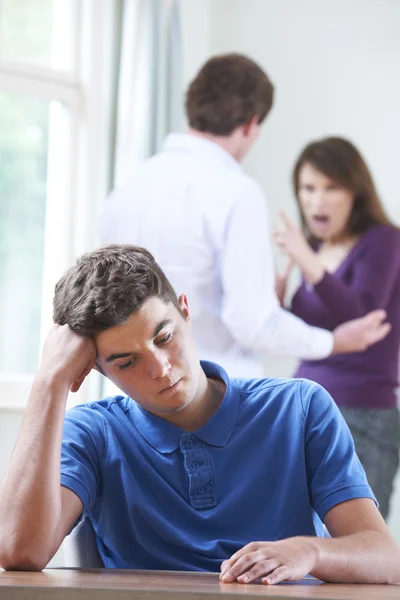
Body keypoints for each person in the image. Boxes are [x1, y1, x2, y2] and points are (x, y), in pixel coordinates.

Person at [0, 244, 398, 585]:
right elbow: (20, 550)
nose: (161, 368)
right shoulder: (93, 433)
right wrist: (49, 382)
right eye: (126, 362)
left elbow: (385, 557)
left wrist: (310, 552)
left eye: (165, 337)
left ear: (186, 311)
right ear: (95, 368)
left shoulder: (299, 407)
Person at [100, 53, 384, 377]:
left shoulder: (127, 187)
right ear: (251, 124)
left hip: (130, 388)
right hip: (211, 391)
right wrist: (330, 342)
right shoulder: (237, 192)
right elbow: (251, 322)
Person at [273, 136, 400, 520]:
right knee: (296, 530)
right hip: (303, 404)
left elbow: (363, 313)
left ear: (355, 193)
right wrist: (278, 304)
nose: (318, 200)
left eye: (332, 188)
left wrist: (307, 261)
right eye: (309, 188)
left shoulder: (383, 241)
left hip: (362, 412)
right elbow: (312, 335)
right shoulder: (313, 247)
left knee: (359, 538)